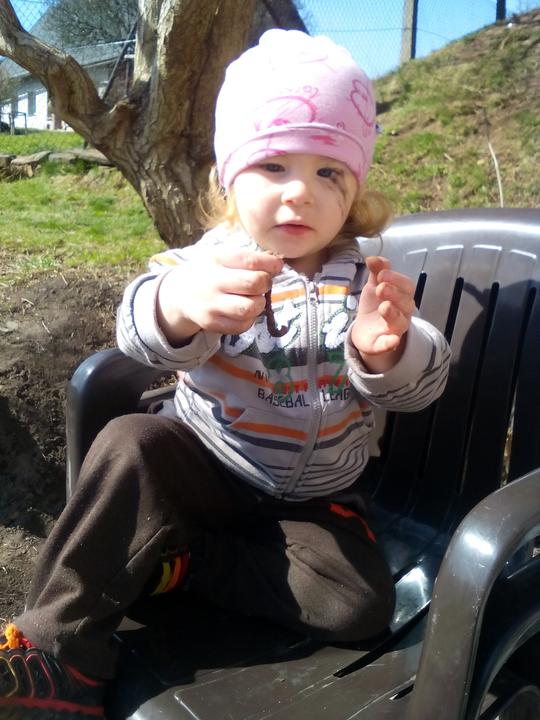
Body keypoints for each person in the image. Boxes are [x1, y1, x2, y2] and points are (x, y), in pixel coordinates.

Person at [0, 29, 450, 719]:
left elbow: (424, 383)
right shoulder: (210, 262)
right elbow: (135, 327)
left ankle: (179, 563)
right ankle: (57, 656)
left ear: (354, 190)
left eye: (328, 173)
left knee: (358, 602)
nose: (300, 193)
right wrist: (179, 308)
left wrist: (387, 352)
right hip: (205, 470)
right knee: (130, 440)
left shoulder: (366, 276)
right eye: (274, 165)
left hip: (314, 507)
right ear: (227, 177)